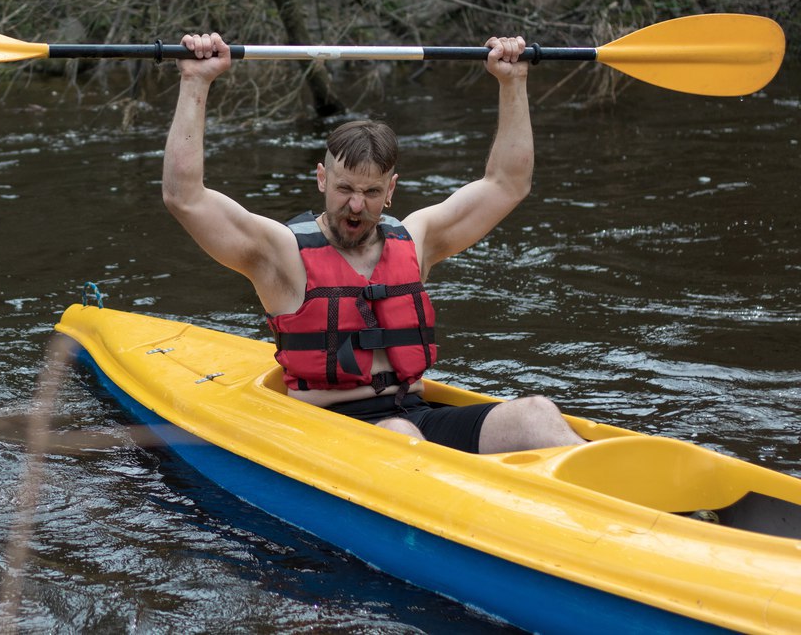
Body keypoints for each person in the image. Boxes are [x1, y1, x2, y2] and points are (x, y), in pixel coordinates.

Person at [161, 31, 586, 454]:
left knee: (536, 414)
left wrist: (513, 82)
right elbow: (186, 198)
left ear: (390, 189)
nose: (356, 205)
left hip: (414, 415)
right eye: (345, 188)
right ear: (322, 179)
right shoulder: (281, 254)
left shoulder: (416, 241)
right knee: (399, 434)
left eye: (371, 192)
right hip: (326, 431)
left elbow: (508, 184)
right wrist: (196, 82)